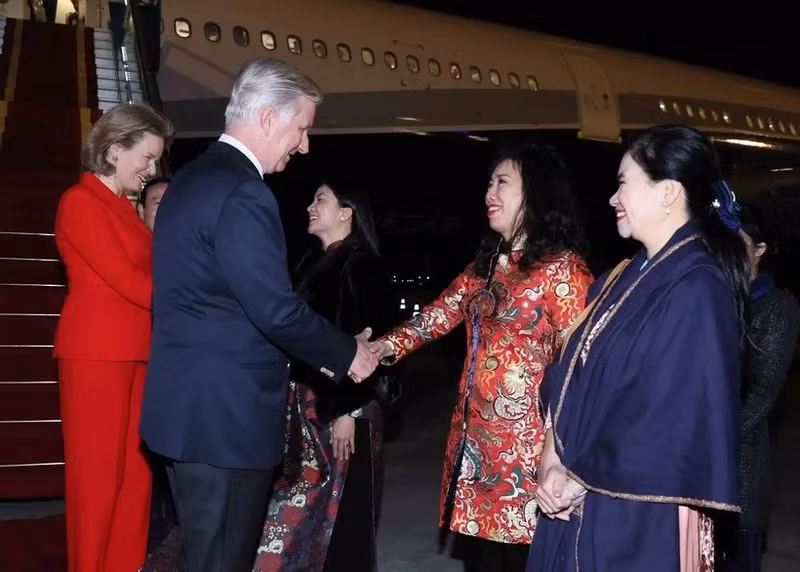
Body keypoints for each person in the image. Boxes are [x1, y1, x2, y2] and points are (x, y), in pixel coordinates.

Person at [138, 57, 380, 572]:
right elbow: (274, 309)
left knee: (205, 556)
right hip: (226, 423)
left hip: (184, 414)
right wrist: (348, 353)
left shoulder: (190, 180)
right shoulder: (244, 191)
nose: (304, 144)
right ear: (270, 118)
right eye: (302, 128)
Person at [530, 125, 747, 572]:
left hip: (639, 507)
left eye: (623, 182)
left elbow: (668, 413)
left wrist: (578, 478)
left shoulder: (698, 286)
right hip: (578, 491)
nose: (612, 198)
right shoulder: (622, 276)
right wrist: (552, 454)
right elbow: (569, 369)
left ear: (667, 192)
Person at [371, 144, 592, 571]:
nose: (489, 192)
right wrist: (385, 348)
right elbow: (440, 313)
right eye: (489, 182)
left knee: (522, 561)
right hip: (474, 450)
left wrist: (563, 456)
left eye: (502, 183)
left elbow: (579, 370)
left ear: (536, 193)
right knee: (482, 561)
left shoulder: (564, 271)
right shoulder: (487, 265)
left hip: (529, 455)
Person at [53, 102, 174, 572]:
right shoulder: (79, 201)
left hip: (139, 354)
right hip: (96, 356)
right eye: (145, 157)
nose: (150, 169)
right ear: (114, 150)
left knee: (134, 482)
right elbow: (127, 282)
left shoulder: (123, 210)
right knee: (97, 482)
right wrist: (191, 306)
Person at [254, 178, 397, 571]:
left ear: (346, 212)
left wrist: (349, 411)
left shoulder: (362, 264)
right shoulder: (311, 262)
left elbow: (373, 343)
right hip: (304, 407)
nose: (310, 207)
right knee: (299, 511)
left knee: (342, 511)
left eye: (321, 199)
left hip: (341, 407)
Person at [720, 202, 800, 572]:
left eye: (735, 241)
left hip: (740, 477)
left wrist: (705, 438)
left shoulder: (777, 307)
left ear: (760, 250)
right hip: (695, 474)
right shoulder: (709, 298)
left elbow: (761, 394)